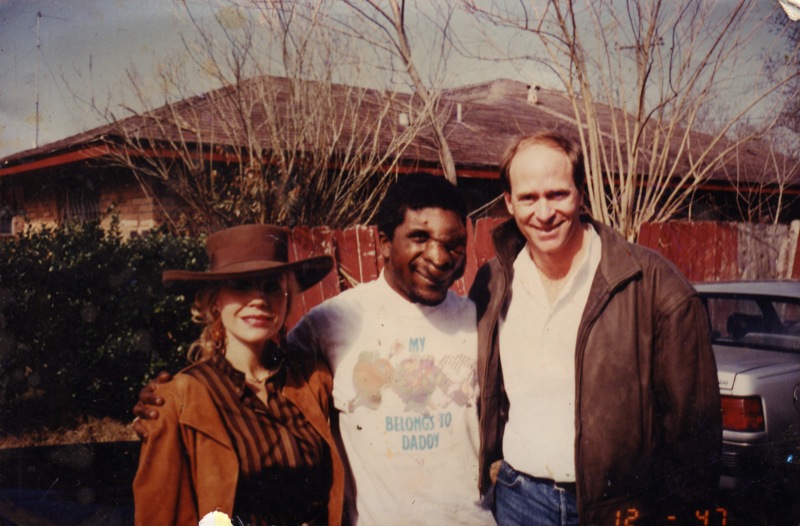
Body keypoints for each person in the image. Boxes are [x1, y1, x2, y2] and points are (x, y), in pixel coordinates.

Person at [134, 174, 493, 525]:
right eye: (242, 286)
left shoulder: (478, 321)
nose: (438, 257)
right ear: (384, 243)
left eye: (272, 286)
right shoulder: (334, 320)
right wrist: (164, 401)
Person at [468, 132, 722, 525]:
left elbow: (694, 435)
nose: (544, 212)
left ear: (581, 194)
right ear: (509, 203)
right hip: (520, 502)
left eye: (557, 194)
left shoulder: (653, 285)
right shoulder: (494, 280)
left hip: (621, 509)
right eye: (528, 198)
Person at [132, 224, 345, 526]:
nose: (259, 299)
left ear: (287, 297)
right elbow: (161, 516)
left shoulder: (313, 381)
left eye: (272, 285)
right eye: (241, 285)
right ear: (214, 300)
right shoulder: (178, 400)